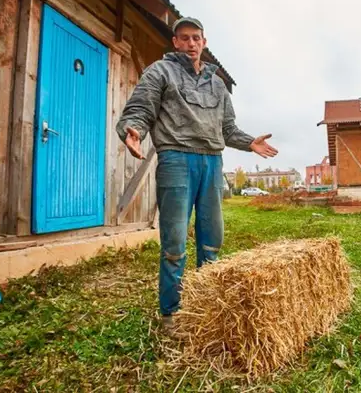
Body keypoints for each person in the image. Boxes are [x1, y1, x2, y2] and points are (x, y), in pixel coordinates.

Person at [116, 17, 278, 333]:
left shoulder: (217, 84)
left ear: (204, 43)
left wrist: (249, 143)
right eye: (185, 38)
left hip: (212, 164)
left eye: (197, 38)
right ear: (175, 42)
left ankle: (207, 306)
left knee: (212, 241)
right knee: (175, 242)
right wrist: (133, 130)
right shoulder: (160, 72)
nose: (191, 43)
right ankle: (172, 314)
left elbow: (227, 129)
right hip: (176, 159)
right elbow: (140, 108)